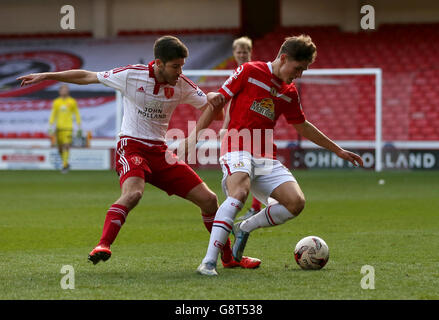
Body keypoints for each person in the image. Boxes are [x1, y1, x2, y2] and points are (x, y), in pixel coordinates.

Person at [18, 35, 260, 270]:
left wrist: (212, 101)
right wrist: (47, 75)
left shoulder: (182, 84)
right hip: (131, 145)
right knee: (134, 193)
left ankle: (229, 259)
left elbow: (214, 111)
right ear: (159, 63)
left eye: (182, 66)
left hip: (161, 152)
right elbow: (87, 76)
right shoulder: (130, 75)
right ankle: (103, 244)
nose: (180, 71)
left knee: (209, 200)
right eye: (175, 66)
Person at [193, 34, 364, 276]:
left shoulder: (289, 92)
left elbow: (302, 125)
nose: (300, 74)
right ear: (283, 58)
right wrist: (194, 136)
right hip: (236, 146)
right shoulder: (249, 71)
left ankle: (244, 227)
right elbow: (217, 102)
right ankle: (208, 262)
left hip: (265, 156)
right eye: (298, 68)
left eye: (304, 69)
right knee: (239, 193)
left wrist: (337, 149)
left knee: (296, 203)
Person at [220, 36, 263, 221]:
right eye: (238, 52)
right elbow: (231, 103)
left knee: (257, 165)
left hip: (254, 125)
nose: (241, 55)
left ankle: (255, 206)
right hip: (240, 126)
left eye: (244, 52)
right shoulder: (236, 73)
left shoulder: (255, 72)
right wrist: (225, 126)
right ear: (234, 54)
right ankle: (250, 205)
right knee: (246, 165)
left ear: (250, 53)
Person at [48, 84, 81, 173]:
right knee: (59, 148)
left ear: (68, 91)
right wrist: (50, 126)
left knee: (66, 145)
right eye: (63, 90)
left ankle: (65, 165)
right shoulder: (56, 102)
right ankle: (65, 162)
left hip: (68, 127)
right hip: (58, 127)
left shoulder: (72, 101)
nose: (64, 91)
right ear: (60, 91)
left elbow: (76, 113)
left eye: (66, 90)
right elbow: (53, 114)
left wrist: (79, 126)